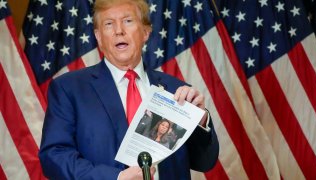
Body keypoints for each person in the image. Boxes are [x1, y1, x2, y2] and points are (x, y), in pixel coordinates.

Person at [38, 0, 219, 179]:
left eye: (128, 21)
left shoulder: (176, 90)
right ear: (99, 37)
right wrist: (115, 178)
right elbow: (54, 157)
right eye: (109, 24)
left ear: (146, 32)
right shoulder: (69, 89)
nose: (119, 31)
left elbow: (204, 162)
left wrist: (200, 120)